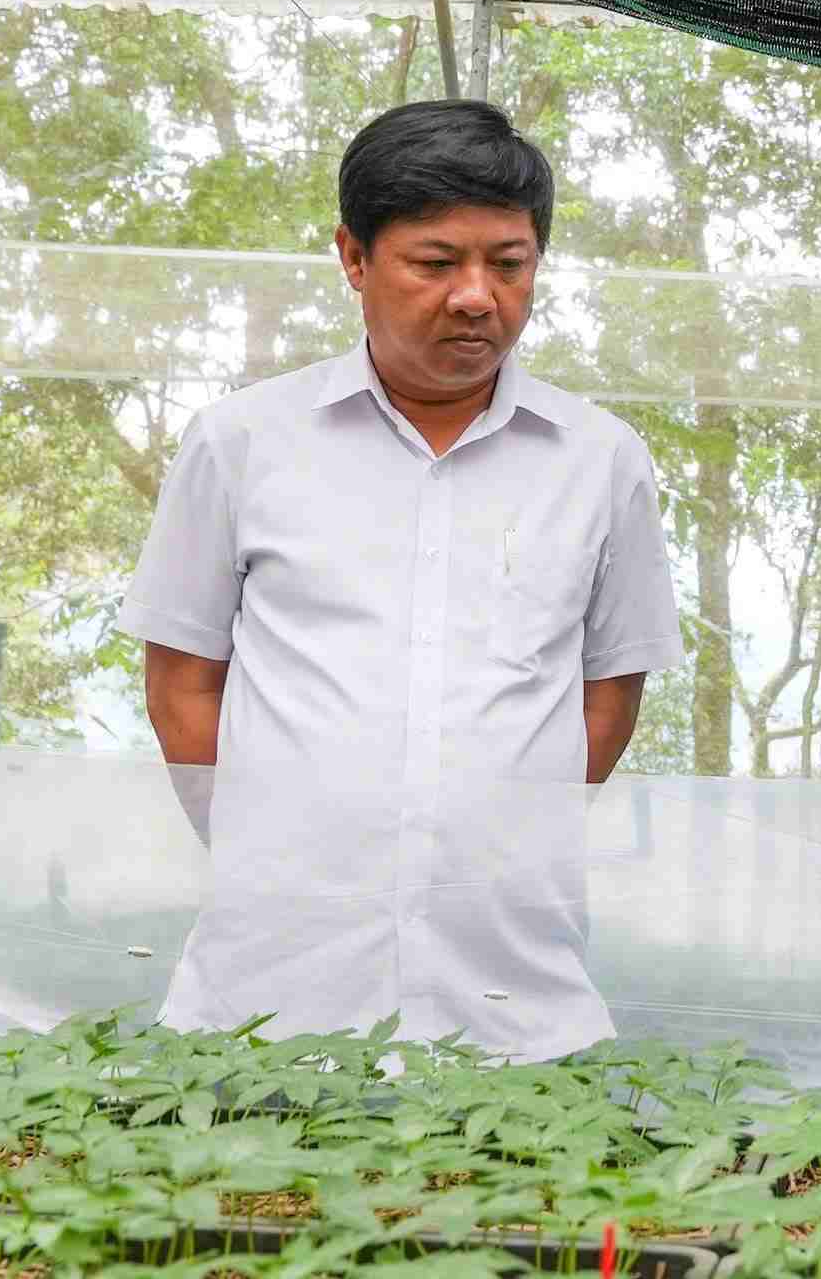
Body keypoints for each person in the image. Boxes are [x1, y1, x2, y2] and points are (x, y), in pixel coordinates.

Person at [116, 99, 683, 1060]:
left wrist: (495, 836)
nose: (477, 296)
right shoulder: (242, 443)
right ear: (353, 256)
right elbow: (182, 685)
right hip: (269, 993)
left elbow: (609, 693)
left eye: (510, 263)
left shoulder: (600, 459)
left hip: (515, 997)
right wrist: (276, 848)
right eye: (436, 262)